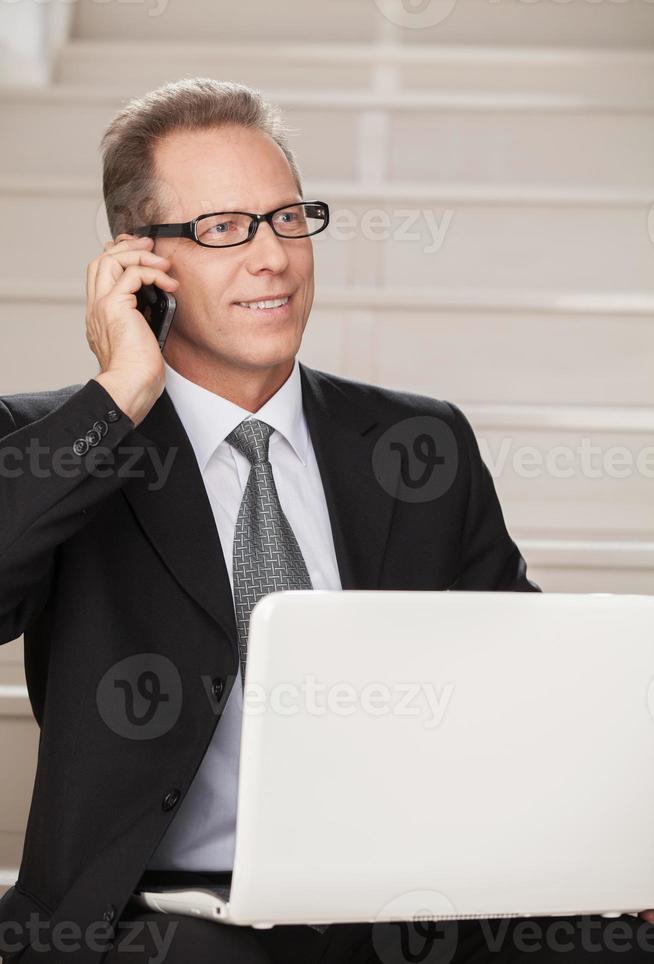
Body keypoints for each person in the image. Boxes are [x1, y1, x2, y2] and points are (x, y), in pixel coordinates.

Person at [1, 78, 648, 963]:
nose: (272, 257)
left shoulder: (420, 443)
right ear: (141, 262)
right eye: (223, 229)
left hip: (403, 902)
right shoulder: (56, 442)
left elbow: (524, 683)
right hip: (160, 917)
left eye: (287, 218)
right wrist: (119, 393)